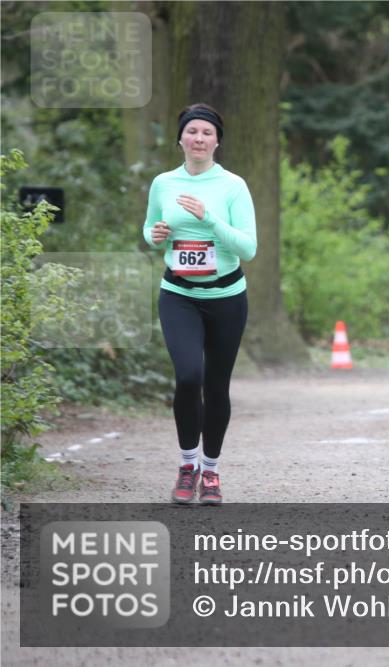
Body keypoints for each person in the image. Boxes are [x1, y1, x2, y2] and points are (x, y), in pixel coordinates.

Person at [143, 103, 257, 505]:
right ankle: (187, 465)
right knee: (189, 375)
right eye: (192, 131)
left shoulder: (232, 186)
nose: (199, 138)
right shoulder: (163, 183)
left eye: (207, 133)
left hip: (226, 297)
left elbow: (249, 246)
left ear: (217, 141)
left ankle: (211, 471)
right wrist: (154, 234)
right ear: (180, 138)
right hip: (178, 295)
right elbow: (149, 227)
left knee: (216, 384)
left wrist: (209, 219)